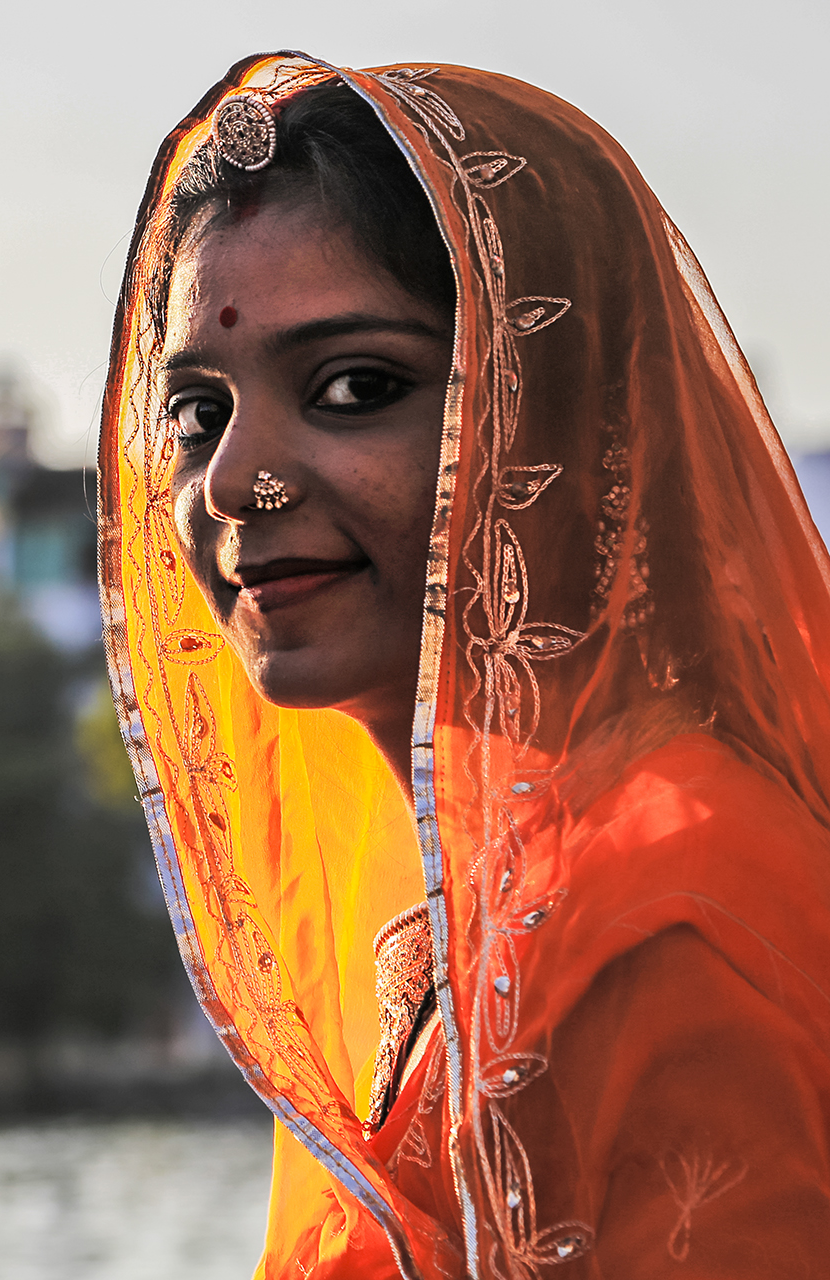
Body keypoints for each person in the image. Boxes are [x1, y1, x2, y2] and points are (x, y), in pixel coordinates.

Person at [99, 53, 830, 1276]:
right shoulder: (472, 916)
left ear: (567, 416)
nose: (233, 481)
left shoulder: (666, 920)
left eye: (354, 386)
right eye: (195, 414)